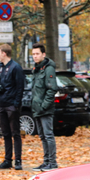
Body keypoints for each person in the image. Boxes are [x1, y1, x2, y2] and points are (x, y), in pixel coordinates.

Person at [0, 44, 25, 170]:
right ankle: (7, 160)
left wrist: (16, 104)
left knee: (15, 133)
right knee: (5, 133)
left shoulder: (16, 67)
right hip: (1, 104)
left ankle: (18, 160)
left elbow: (20, 87)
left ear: (4, 53)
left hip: (11, 105)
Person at [30, 43, 59, 171]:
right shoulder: (36, 69)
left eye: (37, 54)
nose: (35, 56)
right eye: (33, 54)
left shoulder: (48, 69)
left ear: (43, 54)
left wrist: (44, 106)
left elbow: (52, 89)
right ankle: (46, 161)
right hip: (37, 108)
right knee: (42, 136)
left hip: (44, 109)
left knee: (48, 135)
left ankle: (52, 162)